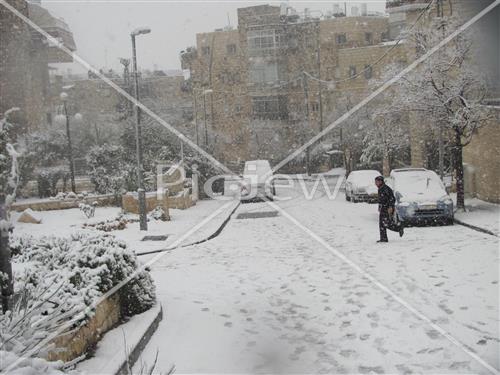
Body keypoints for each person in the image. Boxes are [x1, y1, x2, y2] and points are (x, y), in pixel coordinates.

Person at [375, 176, 404, 243]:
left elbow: (392, 198)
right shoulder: (380, 188)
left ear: (381, 181)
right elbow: (380, 200)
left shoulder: (385, 188)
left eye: (377, 182)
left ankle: (399, 228)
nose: (375, 183)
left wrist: (390, 207)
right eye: (375, 182)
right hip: (383, 207)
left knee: (386, 223)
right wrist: (379, 207)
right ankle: (383, 238)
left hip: (387, 208)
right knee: (382, 224)